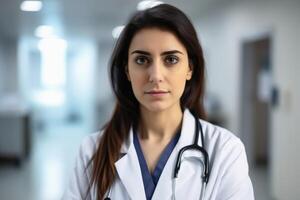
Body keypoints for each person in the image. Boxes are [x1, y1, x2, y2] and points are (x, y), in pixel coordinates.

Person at [62, 3, 254, 200]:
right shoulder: (92, 150)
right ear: (127, 70)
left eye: (170, 59)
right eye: (142, 60)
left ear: (190, 68)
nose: (155, 76)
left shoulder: (226, 151)